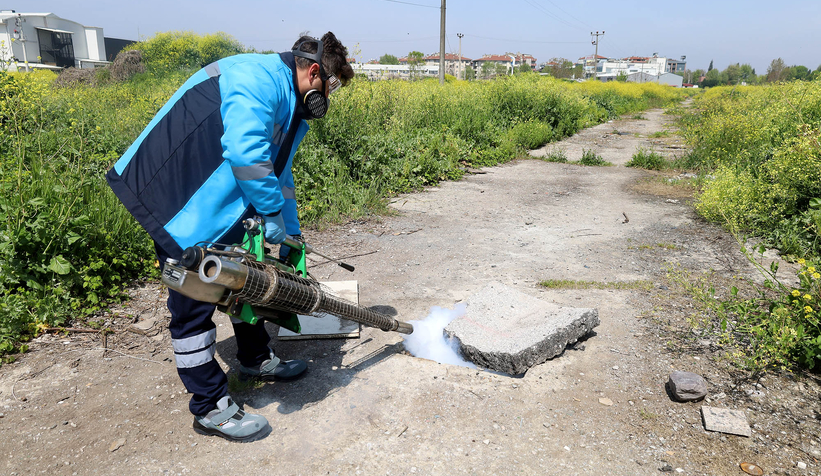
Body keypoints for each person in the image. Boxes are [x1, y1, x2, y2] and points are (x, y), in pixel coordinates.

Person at [106, 32, 354, 442]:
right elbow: (244, 153)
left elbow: (279, 174)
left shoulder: (288, 101)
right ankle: (209, 406)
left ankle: (255, 358)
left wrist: (288, 230)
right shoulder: (256, 77)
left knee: (247, 279)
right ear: (314, 72)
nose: (331, 95)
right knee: (193, 301)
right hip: (171, 195)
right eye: (334, 85)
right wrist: (269, 212)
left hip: (212, 200)